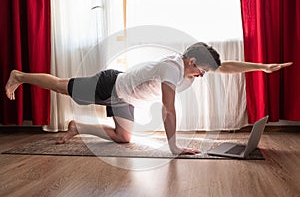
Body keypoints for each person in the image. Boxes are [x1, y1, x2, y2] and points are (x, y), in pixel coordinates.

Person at [5, 42, 292, 155]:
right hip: (109, 86)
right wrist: (174, 147)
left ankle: (77, 127)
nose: (204, 75)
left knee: (123, 138)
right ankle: (19, 75)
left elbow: (225, 66)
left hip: (124, 98)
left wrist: (262, 67)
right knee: (60, 86)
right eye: (202, 71)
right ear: (191, 61)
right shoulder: (172, 68)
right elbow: (168, 110)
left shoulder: (190, 67)